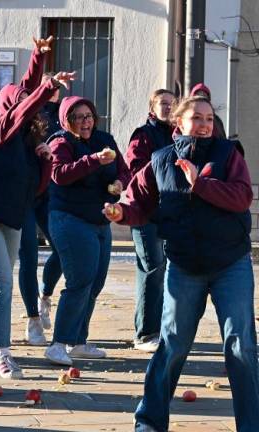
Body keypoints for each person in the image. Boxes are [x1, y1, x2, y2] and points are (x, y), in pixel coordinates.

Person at [103, 95, 258, 432]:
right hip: (185, 266)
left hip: (230, 263)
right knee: (172, 345)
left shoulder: (228, 154)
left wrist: (200, 184)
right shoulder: (160, 161)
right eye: (197, 118)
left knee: (241, 346)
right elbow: (137, 202)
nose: (204, 125)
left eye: (208, 119)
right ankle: (149, 422)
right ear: (179, 123)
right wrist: (121, 212)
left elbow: (242, 197)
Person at [0, 36, 73, 380]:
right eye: (24, 104)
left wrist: (39, 57)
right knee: (2, 279)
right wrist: (45, 84)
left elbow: (39, 187)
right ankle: (1, 352)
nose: (32, 107)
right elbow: (22, 103)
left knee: (0, 277)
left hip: (13, 214)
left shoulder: (29, 142)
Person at [43, 94, 130, 366]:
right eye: (78, 117)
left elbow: (124, 169)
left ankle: (78, 341)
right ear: (66, 120)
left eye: (88, 116)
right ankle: (58, 344)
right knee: (80, 280)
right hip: (70, 218)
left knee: (96, 282)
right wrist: (93, 160)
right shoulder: (60, 142)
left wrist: (119, 181)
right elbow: (59, 174)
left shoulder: (105, 139)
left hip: (101, 219)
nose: (85, 122)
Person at [125, 89, 175, 352]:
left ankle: (161, 329)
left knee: (164, 271)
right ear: (152, 108)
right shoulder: (143, 135)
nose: (168, 108)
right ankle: (144, 334)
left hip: (167, 214)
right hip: (144, 212)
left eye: (171, 104)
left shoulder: (176, 134)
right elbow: (134, 170)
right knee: (152, 269)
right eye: (163, 104)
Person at [17, 73, 64, 345]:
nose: (54, 90)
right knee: (29, 258)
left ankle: (45, 295)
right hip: (24, 197)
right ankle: (33, 320)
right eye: (50, 86)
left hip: (48, 195)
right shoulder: (26, 113)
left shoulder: (60, 113)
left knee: (60, 247)